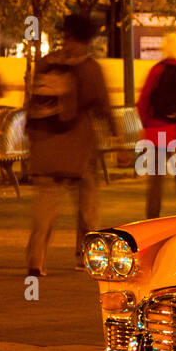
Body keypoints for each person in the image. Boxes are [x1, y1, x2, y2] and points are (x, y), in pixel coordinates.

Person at [24, 14, 115, 276]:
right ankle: (85, 258)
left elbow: (33, 101)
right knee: (87, 202)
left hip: (45, 143)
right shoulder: (89, 67)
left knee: (45, 204)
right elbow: (104, 107)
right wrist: (117, 140)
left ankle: (36, 259)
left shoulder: (45, 63)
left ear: (66, 35)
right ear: (87, 38)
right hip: (79, 144)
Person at [136, 31, 176, 217]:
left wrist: (146, 125)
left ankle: (152, 216)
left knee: (155, 180)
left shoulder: (156, 70)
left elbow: (144, 100)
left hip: (156, 131)